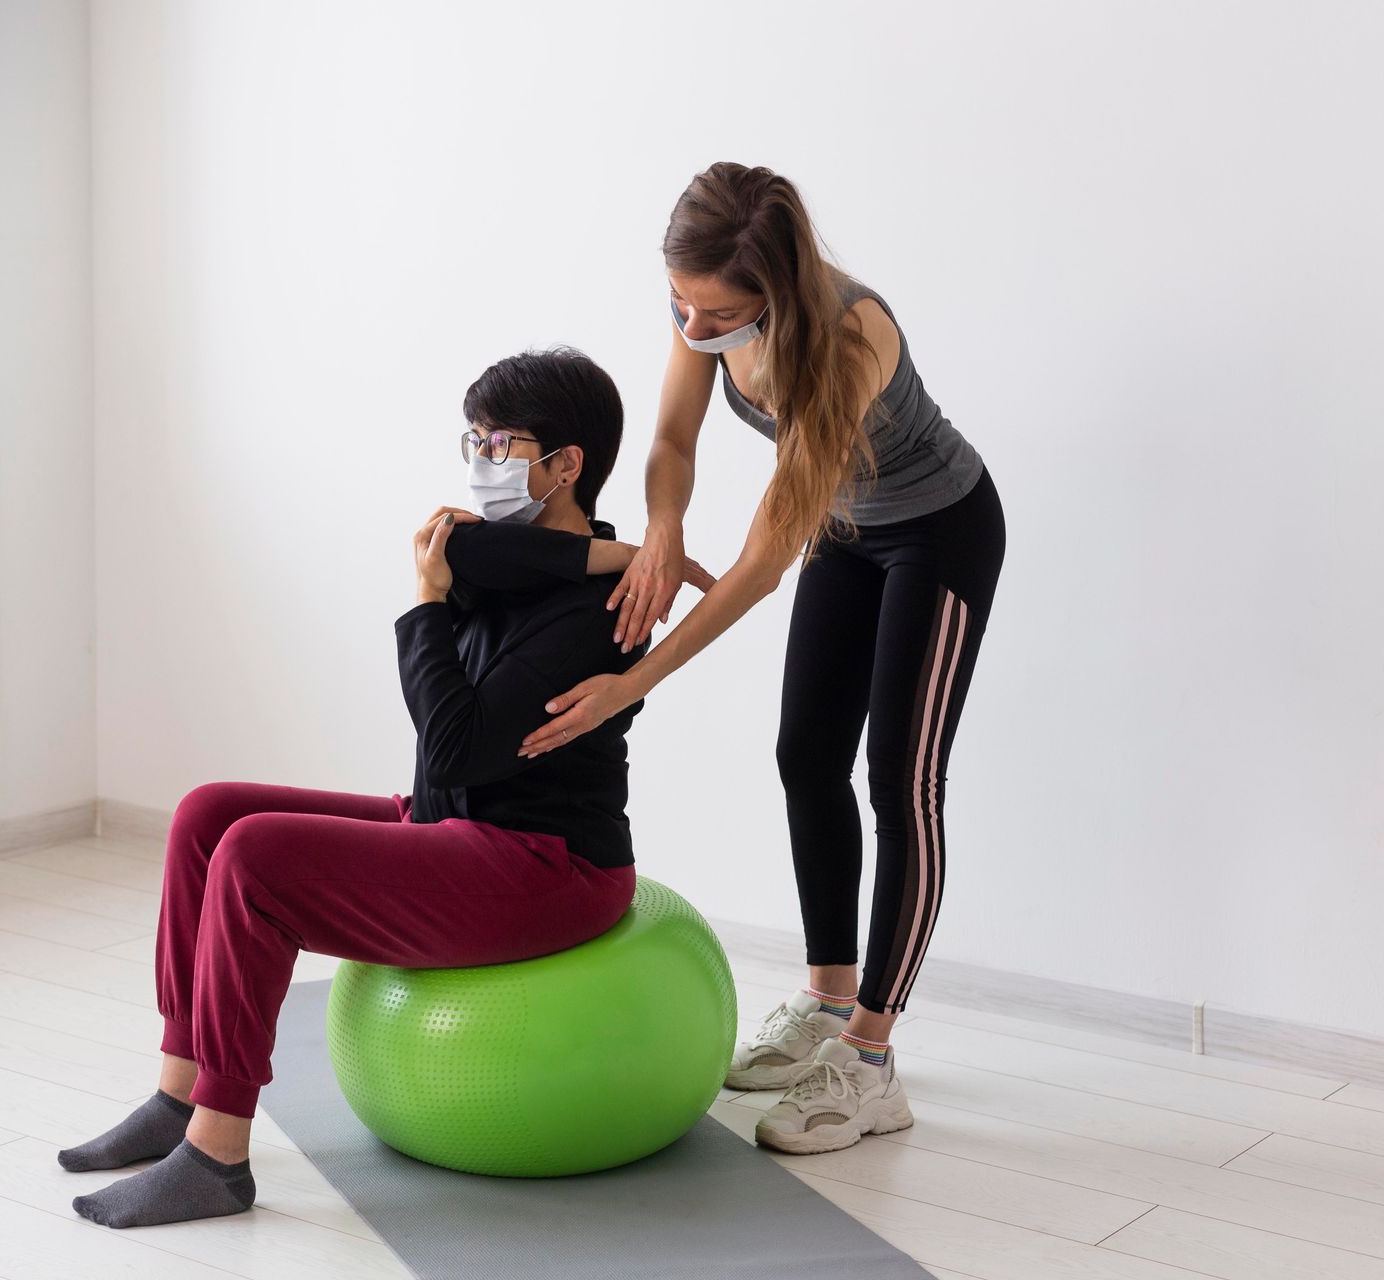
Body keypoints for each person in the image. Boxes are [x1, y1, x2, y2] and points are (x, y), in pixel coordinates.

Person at [59, 346, 717, 1228]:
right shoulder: (518, 558)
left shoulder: (607, 611)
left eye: (502, 444)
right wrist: (625, 550)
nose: (481, 461)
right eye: (474, 440)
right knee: (210, 814)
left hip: (545, 865)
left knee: (256, 856)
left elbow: (452, 749)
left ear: (566, 466)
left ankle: (215, 1157)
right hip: (455, 826)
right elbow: (476, 545)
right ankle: (179, 1095)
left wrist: (425, 604)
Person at [516, 163, 1007, 1156]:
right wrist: (660, 528)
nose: (695, 327)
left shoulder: (851, 335)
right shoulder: (703, 300)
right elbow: (670, 436)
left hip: (936, 532)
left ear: (777, 293)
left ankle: (871, 1061)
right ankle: (827, 1001)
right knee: (804, 757)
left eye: (719, 313)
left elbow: (763, 559)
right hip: (847, 525)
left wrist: (631, 682)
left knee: (900, 781)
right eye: (680, 305)